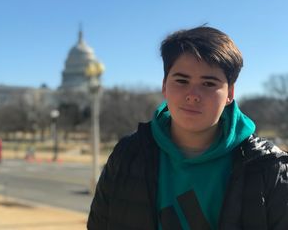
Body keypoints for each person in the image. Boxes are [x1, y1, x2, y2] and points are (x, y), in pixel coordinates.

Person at [87, 26, 288, 230]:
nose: (192, 95)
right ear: (164, 86)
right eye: (182, 81)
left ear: (230, 93)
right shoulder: (128, 155)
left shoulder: (271, 168)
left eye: (209, 84)